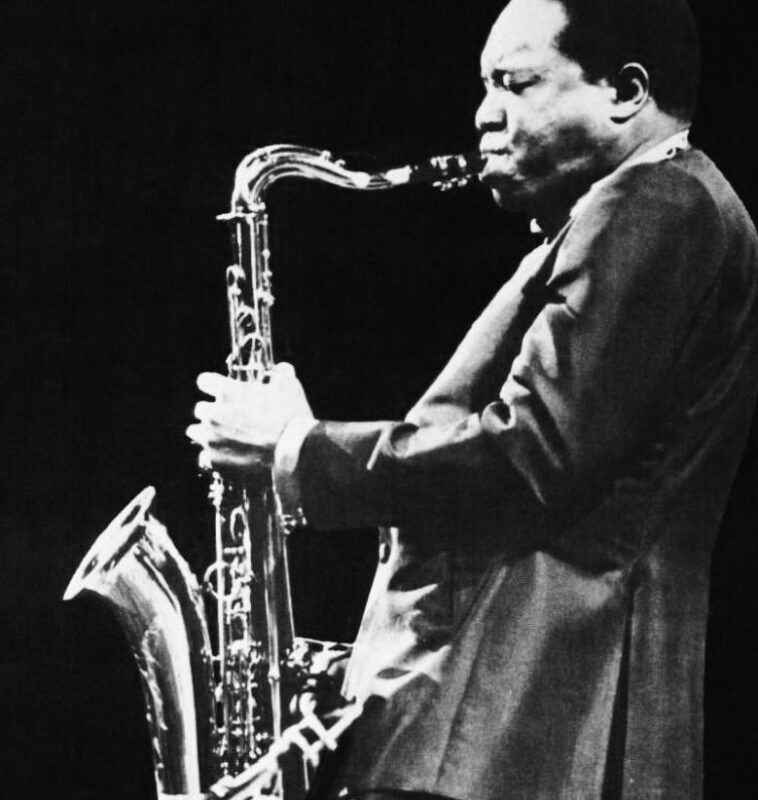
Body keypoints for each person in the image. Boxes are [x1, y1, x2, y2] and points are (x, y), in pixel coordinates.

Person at [187, 0, 758, 797]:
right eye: (484, 85)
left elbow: (530, 457)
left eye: (516, 83)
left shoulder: (654, 207)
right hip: (510, 719)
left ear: (627, 92)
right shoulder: (645, 212)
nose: (485, 114)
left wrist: (299, 450)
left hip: (520, 726)